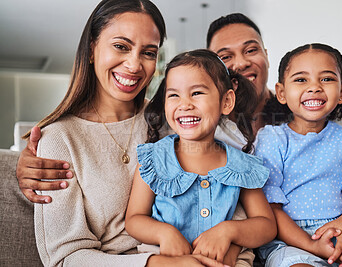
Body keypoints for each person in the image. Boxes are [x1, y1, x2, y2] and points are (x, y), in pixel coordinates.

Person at [27, 0, 228, 266]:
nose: (134, 65)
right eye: (121, 46)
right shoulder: (58, 139)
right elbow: (65, 258)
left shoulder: (174, 122)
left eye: (148, 52)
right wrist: (156, 264)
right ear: (91, 49)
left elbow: (225, 194)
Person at [206, 13, 342, 207]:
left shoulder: (320, 106)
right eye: (225, 56)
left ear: (266, 55)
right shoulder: (205, 128)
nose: (241, 63)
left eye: (250, 50)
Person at [124, 49, 277, 266]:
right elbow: (134, 219)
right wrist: (164, 233)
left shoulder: (241, 165)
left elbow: (266, 226)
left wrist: (228, 231)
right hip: (167, 260)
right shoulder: (154, 158)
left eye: (196, 93)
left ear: (226, 102)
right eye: (174, 95)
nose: (184, 104)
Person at [255, 43, 342, 267]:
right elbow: (271, 208)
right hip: (293, 241)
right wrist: (312, 245)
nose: (314, 87)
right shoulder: (272, 138)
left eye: (326, 79)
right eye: (301, 79)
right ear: (282, 93)